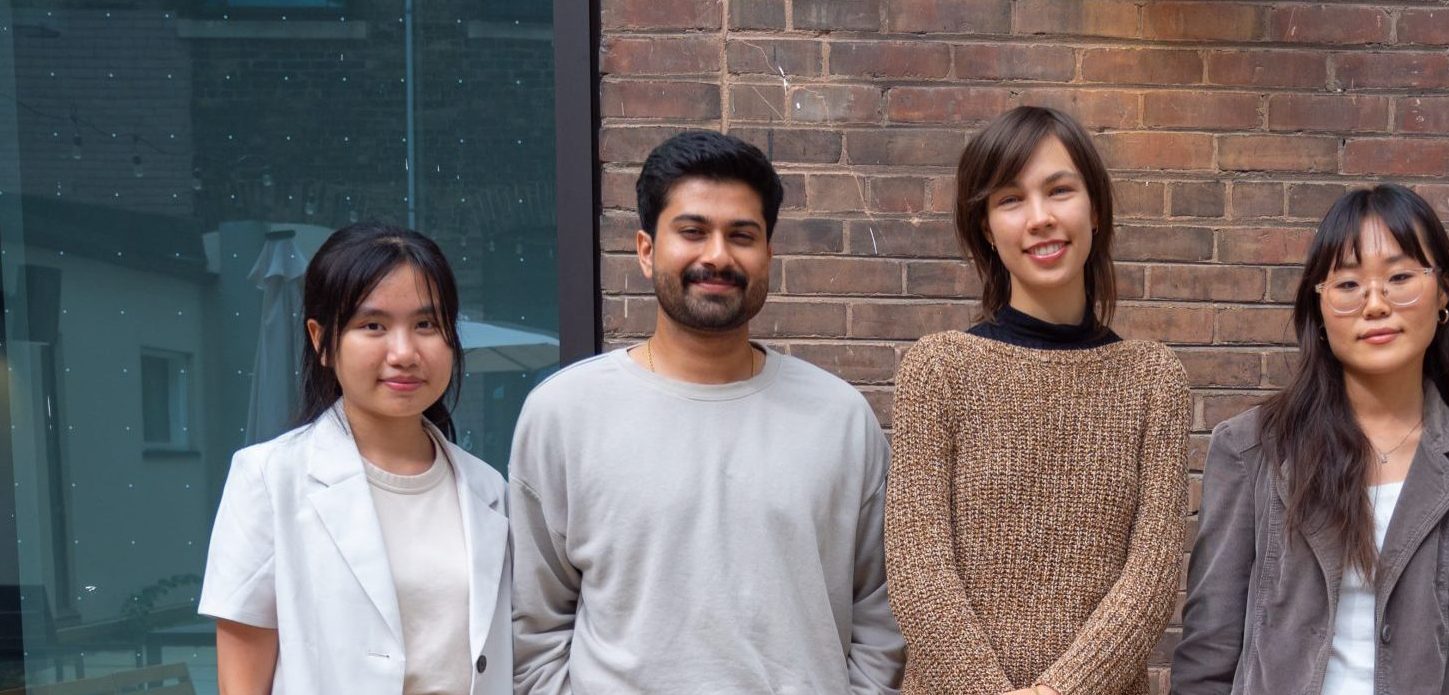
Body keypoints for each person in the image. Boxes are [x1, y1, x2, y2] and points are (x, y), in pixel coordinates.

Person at [508, 130, 903, 694]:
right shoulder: (564, 415)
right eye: (692, 232)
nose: (717, 255)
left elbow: (879, 615)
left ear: (767, 254)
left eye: (741, 235)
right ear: (646, 250)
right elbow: (534, 627)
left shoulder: (839, 418)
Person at [1174, 185, 1449, 695]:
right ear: (1319, 305)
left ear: (1443, 293)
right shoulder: (1250, 450)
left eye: (1401, 277)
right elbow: (1207, 654)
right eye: (1348, 284)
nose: (1375, 304)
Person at [884, 106, 1190, 695]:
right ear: (986, 230)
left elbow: (1152, 574)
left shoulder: (1153, 379)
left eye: (1059, 191)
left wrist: (1059, 691)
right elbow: (918, 567)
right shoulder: (938, 369)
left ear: (1094, 209)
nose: (1040, 218)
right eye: (1010, 200)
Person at [201, 222, 512, 694]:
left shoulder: (490, 491)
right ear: (322, 341)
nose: (404, 352)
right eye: (374, 326)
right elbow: (241, 683)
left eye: (426, 325)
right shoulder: (269, 479)